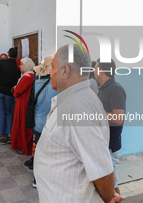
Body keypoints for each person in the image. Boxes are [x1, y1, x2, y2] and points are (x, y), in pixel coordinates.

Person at [34, 44, 125, 203]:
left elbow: (103, 172)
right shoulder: (75, 100)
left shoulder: (78, 107)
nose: (50, 71)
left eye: (53, 67)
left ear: (65, 70)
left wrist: (108, 196)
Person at [23, 56, 58, 187]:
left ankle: (36, 179)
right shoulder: (58, 85)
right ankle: (49, 178)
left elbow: (32, 102)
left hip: (38, 124)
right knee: (51, 153)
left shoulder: (36, 82)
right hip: (52, 125)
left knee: (37, 151)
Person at [94, 58, 126, 195]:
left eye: (95, 67)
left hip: (110, 145)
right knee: (107, 183)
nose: (93, 70)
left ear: (101, 71)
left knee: (112, 184)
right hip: (103, 143)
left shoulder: (115, 89)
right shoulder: (102, 89)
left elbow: (118, 118)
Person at [0, 47, 21, 144]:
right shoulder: (18, 64)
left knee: (0, 114)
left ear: (8, 54)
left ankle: (2, 137)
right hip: (10, 93)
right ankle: (10, 135)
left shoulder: (2, 63)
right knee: (9, 113)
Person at [11, 58, 35, 155]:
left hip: (23, 104)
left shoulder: (27, 77)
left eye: (21, 64)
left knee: (22, 127)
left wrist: (14, 89)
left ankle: (24, 147)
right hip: (25, 103)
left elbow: (17, 92)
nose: (19, 66)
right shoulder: (30, 75)